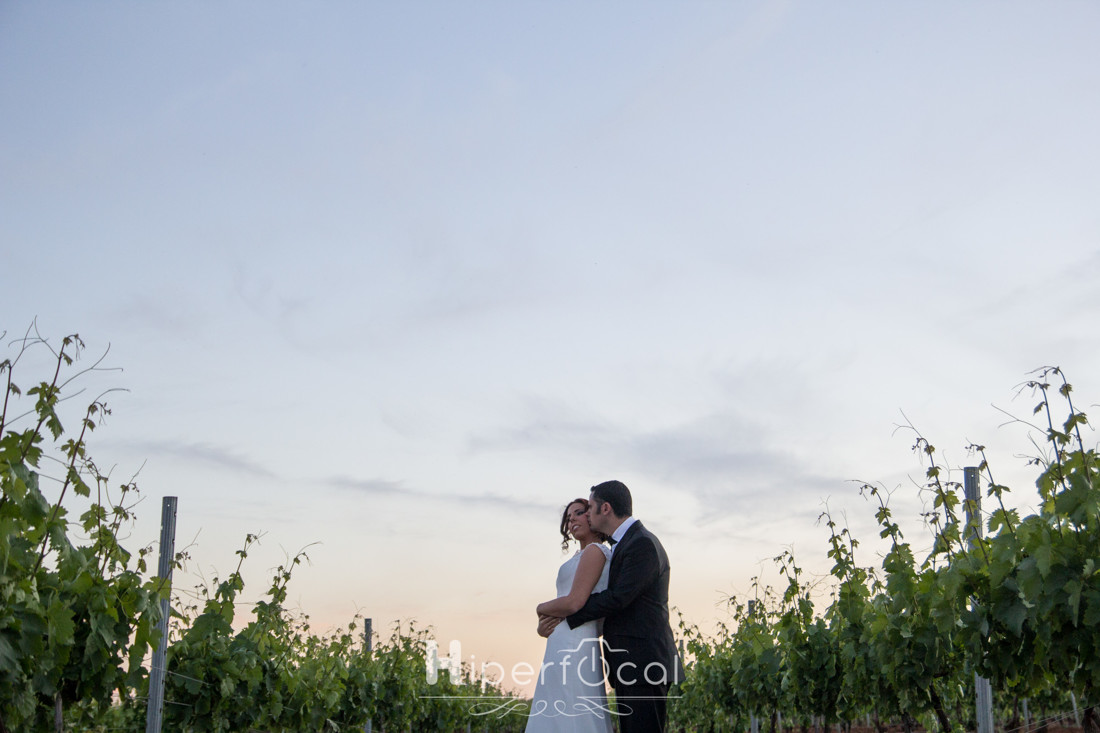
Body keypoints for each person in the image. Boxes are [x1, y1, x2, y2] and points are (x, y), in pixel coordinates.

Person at [539, 480, 680, 733]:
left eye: (589, 508)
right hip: (631, 664)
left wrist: (566, 614)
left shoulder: (642, 544)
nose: (588, 515)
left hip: (644, 663)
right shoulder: (628, 543)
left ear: (605, 508)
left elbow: (618, 598)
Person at [525, 499, 615, 733]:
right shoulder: (579, 556)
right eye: (568, 517)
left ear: (592, 516)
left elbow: (574, 602)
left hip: (577, 641)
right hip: (560, 641)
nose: (571, 519)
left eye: (578, 513)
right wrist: (542, 626)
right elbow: (563, 605)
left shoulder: (596, 552)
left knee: (572, 708)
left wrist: (539, 608)